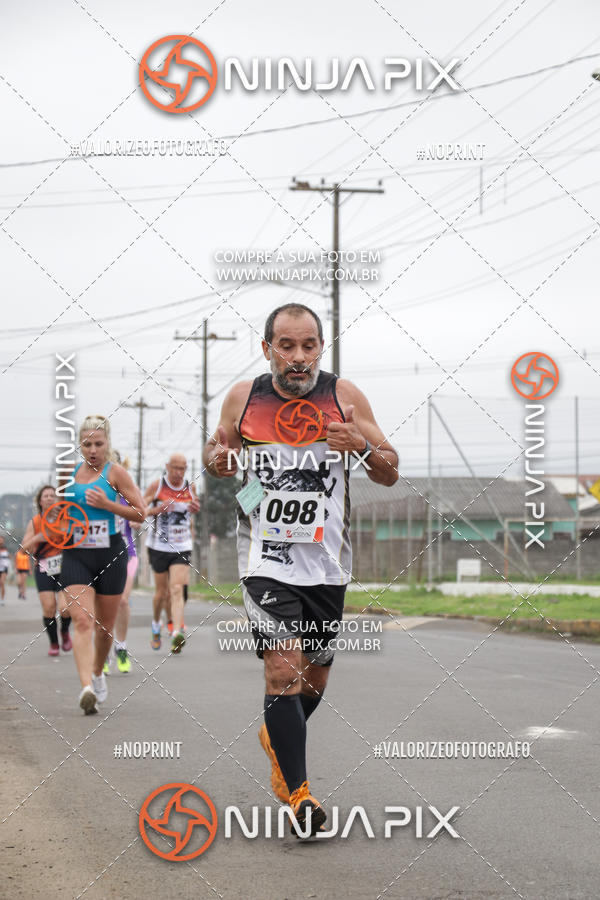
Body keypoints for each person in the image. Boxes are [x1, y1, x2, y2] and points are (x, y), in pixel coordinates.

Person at [203, 303, 398, 835]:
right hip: (266, 560)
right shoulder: (243, 398)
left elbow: (390, 471)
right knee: (282, 671)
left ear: (320, 348)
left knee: (313, 678)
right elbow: (218, 455)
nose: (298, 357)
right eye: (286, 346)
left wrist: (360, 447)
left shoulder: (345, 396)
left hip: (328, 566)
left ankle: (277, 733)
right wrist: (218, 460)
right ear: (267, 349)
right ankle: (301, 797)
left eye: (308, 345)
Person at [60, 415, 145, 714]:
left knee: (104, 627)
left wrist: (107, 504)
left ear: (107, 443)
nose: (93, 449)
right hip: (75, 554)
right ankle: (86, 688)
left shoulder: (116, 473)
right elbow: (59, 515)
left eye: (98, 443)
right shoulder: (68, 475)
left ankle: (97, 672)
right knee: (82, 620)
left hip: (110, 553)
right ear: (80, 446)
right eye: (87, 444)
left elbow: (141, 512)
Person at [144, 454, 200, 655]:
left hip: (182, 545)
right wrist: (158, 508)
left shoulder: (189, 487)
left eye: (182, 469)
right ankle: (156, 624)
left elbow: (194, 507)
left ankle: (177, 632)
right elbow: (140, 510)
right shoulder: (157, 486)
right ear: (167, 466)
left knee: (177, 588)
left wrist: (195, 507)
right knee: (161, 594)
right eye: (174, 468)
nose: (178, 473)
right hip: (159, 546)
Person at [21, 485, 73, 655]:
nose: (50, 498)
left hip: (64, 567)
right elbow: (23, 549)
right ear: (40, 501)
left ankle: (65, 632)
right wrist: (38, 537)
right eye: (46, 496)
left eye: (53, 495)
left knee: (65, 608)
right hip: (43, 568)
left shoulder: (67, 518)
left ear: (57, 500)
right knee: (49, 607)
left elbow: (78, 538)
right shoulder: (35, 522)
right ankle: (54, 643)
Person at [103, 452, 140, 675]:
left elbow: (140, 513)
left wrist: (136, 521)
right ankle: (104, 652)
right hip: (102, 554)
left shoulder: (127, 492)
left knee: (123, 601)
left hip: (128, 553)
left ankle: (122, 648)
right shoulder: (97, 494)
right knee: (104, 606)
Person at [0, 537, 10, 603]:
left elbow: (8, 558)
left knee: (2, 582)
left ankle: (2, 599)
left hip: (4, 568)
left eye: (1, 539)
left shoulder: (5, 548)